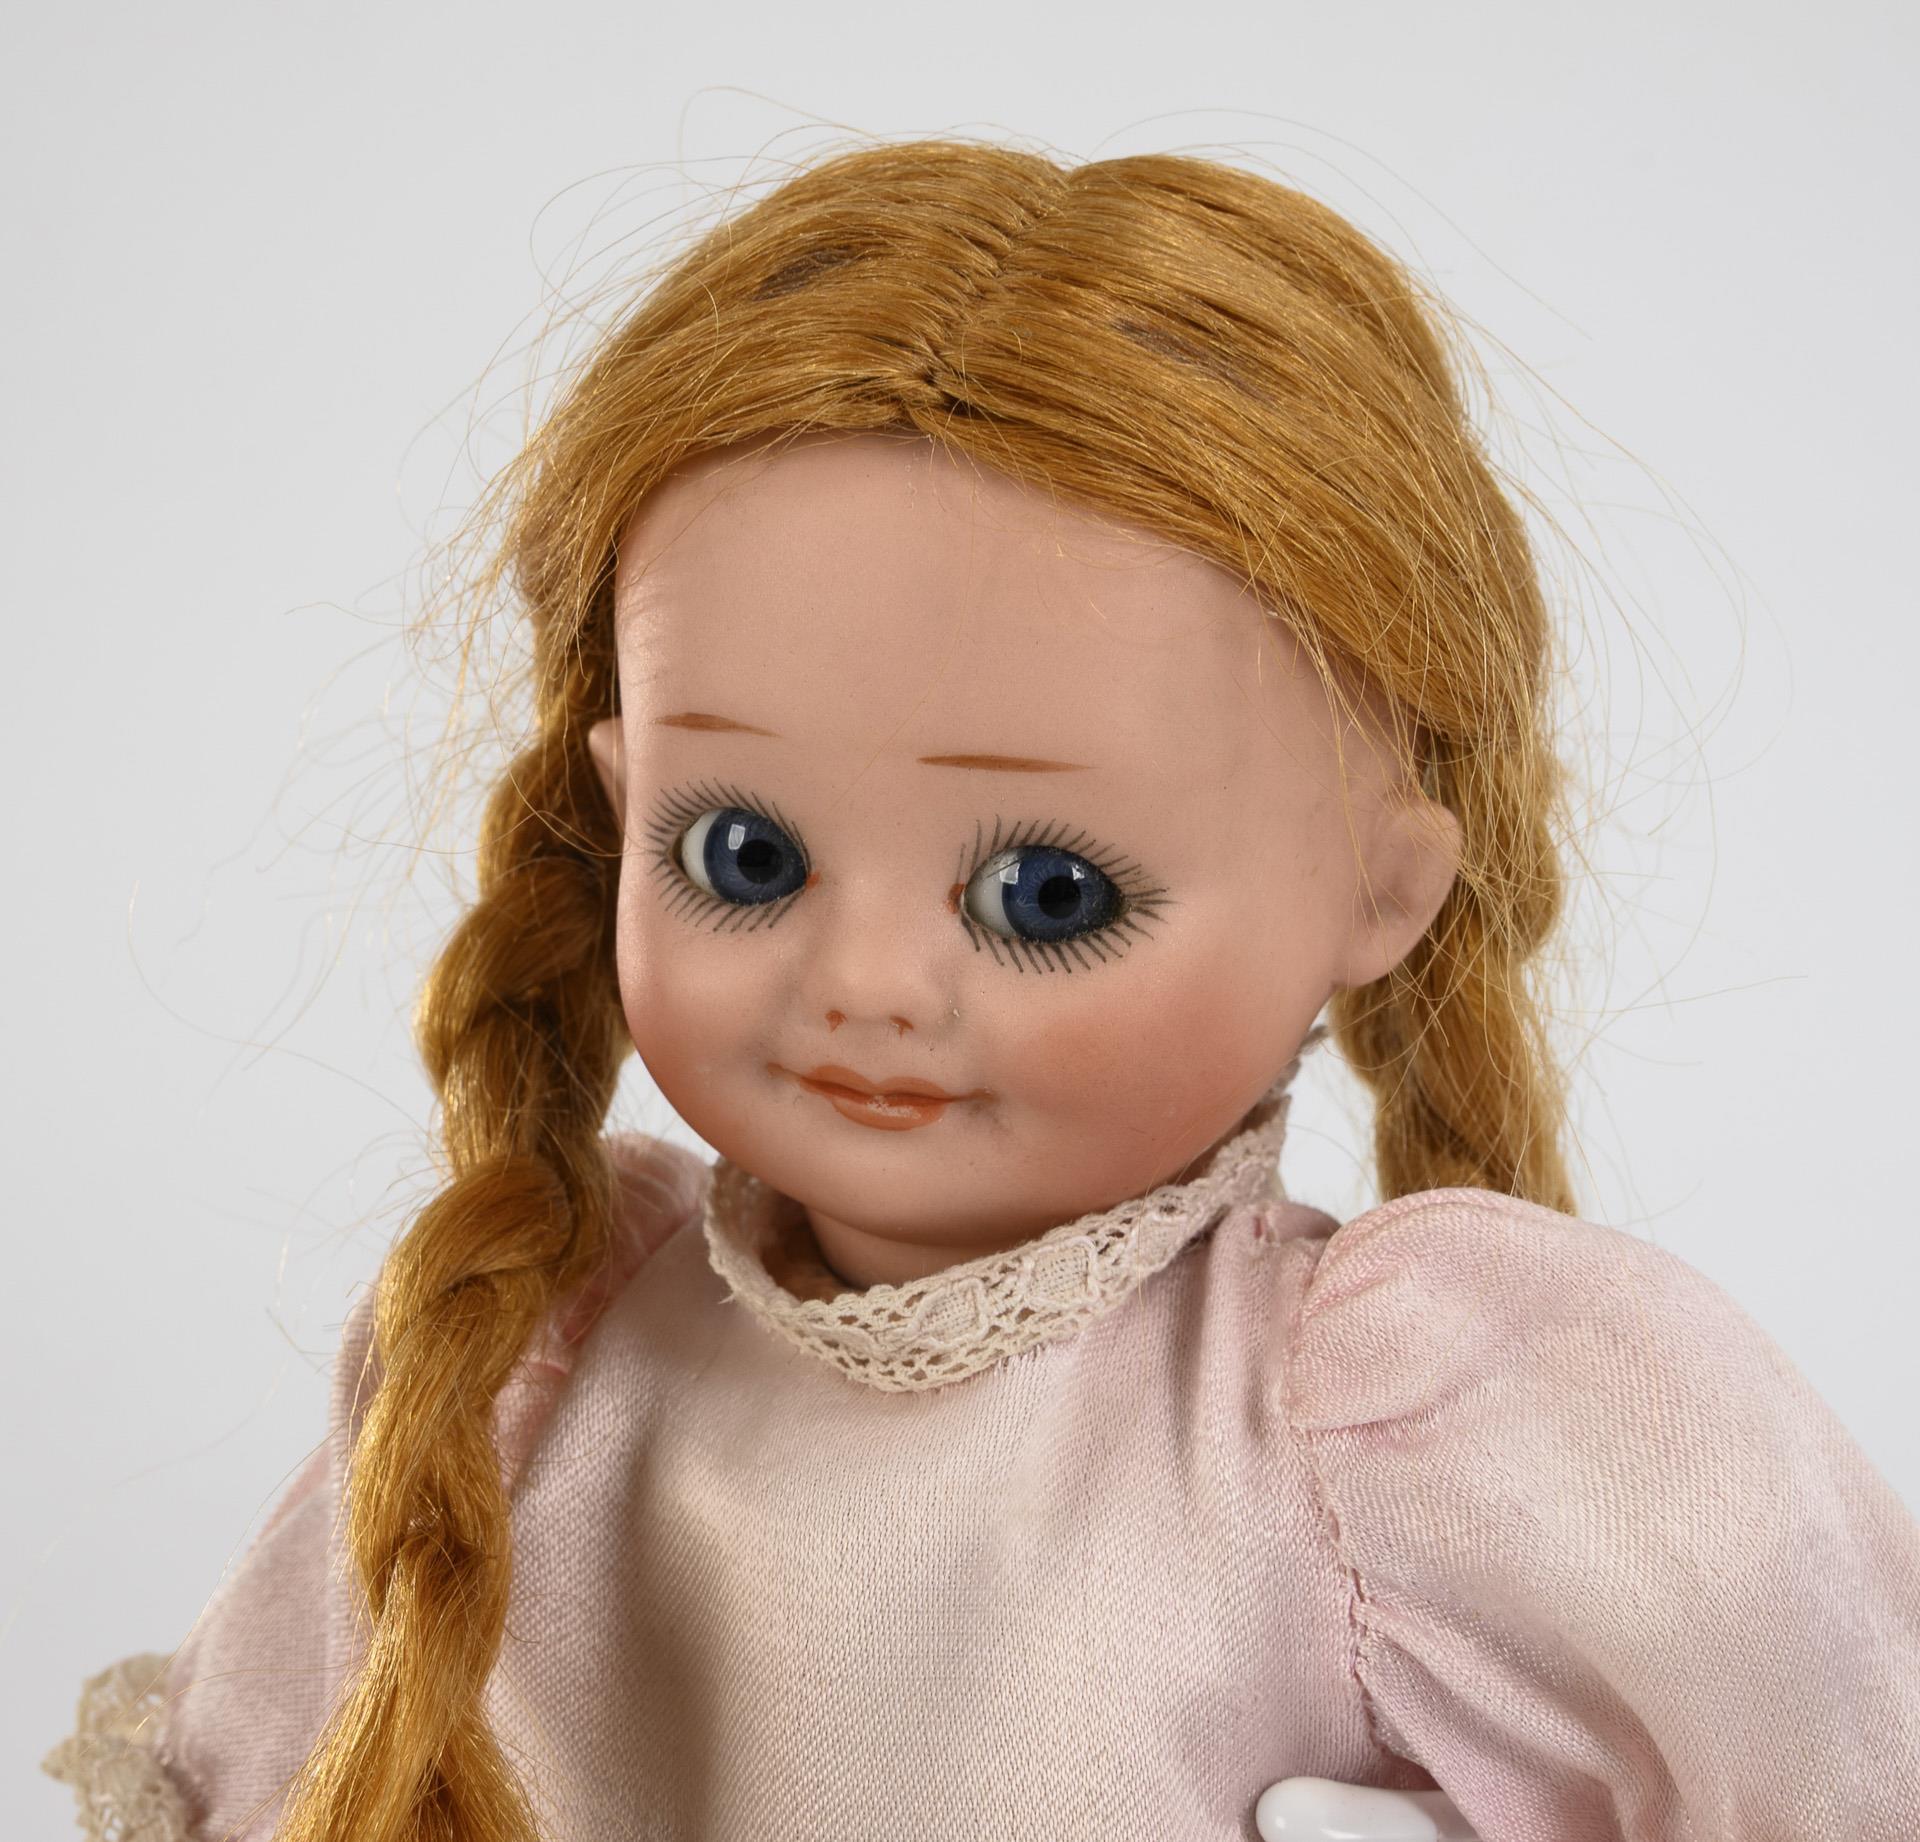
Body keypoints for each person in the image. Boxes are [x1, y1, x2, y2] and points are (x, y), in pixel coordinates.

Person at [44, 138, 1920, 1842]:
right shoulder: (541, 1339)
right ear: (617, 803)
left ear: (1383, 890)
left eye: (1048, 894)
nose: (865, 982)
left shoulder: (1381, 1427)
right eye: (744, 855)